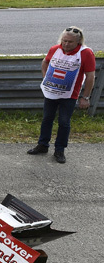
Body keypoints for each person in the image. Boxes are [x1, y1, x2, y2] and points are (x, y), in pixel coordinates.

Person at [28, 26, 96, 164]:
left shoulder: (86, 53)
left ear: (78, 42)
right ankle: (42, 145)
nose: (66, 44)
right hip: (51, 92)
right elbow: (45, 62)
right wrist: (45, 78)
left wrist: (85, 97)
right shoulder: (55, 49)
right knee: (47, 118)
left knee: (64, 122)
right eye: (64, 40)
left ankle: (60, 150)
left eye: (70, 42)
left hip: (69, 95)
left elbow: (90, 76)